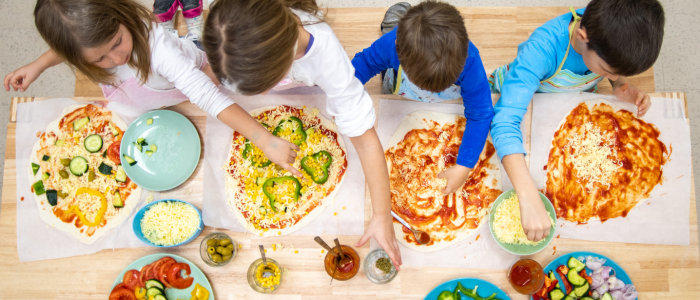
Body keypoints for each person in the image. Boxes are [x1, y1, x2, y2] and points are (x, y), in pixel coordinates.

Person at [202, 0, 403, 269]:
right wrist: (261, 137)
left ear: (284, 59)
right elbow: (205, 83)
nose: (263, 95)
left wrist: (381, 214)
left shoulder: (328, 59)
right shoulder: (231, 38)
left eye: (265, 85)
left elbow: (365, 142)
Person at [3, 0, 300, 177]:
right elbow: (67, 48)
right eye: (99, 59)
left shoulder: (159, 51)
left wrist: (266, 141)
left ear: (122, 15)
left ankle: (190, 28)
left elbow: (206, 95)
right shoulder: (87, 45)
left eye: (118, 42)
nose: (116, 58)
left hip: (187, 75)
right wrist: (38, 65)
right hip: (144, 96)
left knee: (213, 71)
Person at [489, 0, 665, 242]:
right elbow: (505, 121)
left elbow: (611, 66)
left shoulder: (604, 33)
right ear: (582, 36)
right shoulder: (541, 50)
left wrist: (620, 85)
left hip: (569, 101)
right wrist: (528, 197)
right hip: (524, 97)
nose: (611, 76)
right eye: (607, 70)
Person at [352, 0, 494, 195]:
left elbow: (481, 114)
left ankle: (402, 21)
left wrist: (464, 165)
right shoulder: (392, 46)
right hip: (403, 89)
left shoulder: (469, 61)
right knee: (386, 73)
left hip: (448, 99)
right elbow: (365, 63)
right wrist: (347, 92)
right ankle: (396, 24)